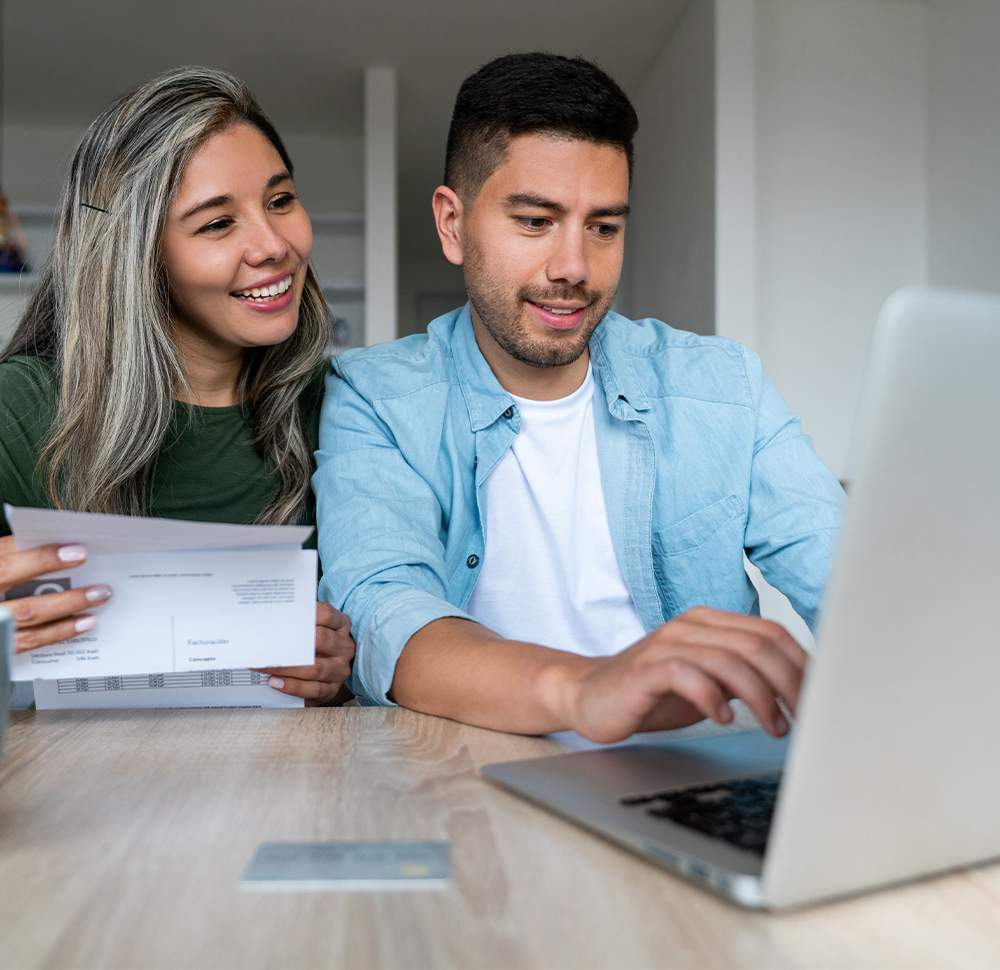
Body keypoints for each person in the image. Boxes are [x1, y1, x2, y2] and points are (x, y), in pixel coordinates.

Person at [314, 52, 845, 738]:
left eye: (604, 227)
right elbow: (385, 612)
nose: (574, 268)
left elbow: (854, 587)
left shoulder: (722, 387)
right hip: (479, 773)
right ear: (452, 223)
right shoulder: (374, 396)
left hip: (701, 769)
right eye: (535, 221)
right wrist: (586, 688)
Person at [0, 66, 353, 706]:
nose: (274, 245)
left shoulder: (342, 409)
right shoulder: (20, 411)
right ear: (135, 258)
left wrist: (345, 667)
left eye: (280, 201)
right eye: (217, 224)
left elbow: (382, 620)